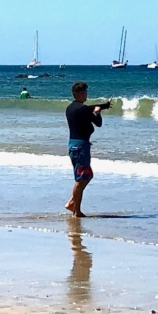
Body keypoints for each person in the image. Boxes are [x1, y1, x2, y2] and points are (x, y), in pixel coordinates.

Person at [64, 81, 112, 216]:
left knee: (87, 175)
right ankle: (75, 210)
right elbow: (98, 123)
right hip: (81, 146)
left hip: (74, 144)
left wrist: (104, 106)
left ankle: (73, 203)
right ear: (78, 94)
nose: (86, 95)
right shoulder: (83, 109)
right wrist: (98, 112)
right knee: (81, 179)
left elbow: (86, 109)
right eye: (84, 92)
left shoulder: (70, 108)